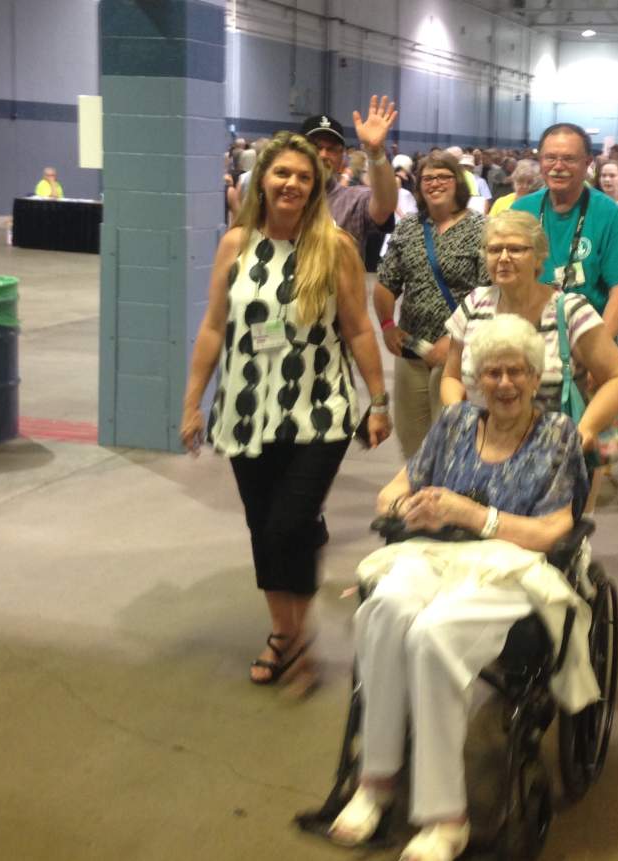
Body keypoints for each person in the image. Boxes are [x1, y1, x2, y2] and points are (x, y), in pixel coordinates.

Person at [328, 315, 598, 861]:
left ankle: (445, 817)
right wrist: (414, 505)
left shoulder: (557, 435)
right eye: (492, 372)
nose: (504, 384)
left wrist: (475, 516)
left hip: (512, 567)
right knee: (383, 609)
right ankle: (375, 780)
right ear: (475, 377)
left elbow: (552, 531)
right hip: (435, 552)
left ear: (534, 375)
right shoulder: (452, 423)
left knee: (433, 633)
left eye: (516, 372)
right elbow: (392, 494)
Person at [179, 131, 391, 686]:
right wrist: (192, 403)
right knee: (262, 526)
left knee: (288, 523)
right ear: (262, 182)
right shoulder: (235, 244)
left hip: (320, 409)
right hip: (247, 409)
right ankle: (287, 631)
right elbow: (212, 327)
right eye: (282, 174)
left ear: (315, 185)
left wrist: (379, 398)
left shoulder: (335, 246)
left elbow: (359, 328)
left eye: (303, 176)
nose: (292, 184)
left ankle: (290, 634)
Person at [441, 210, 618, 451]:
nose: (504, 257)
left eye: (516, 249)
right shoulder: (474, 304)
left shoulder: (569, 312)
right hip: (481, 449)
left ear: (539, 257)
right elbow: (451, 376)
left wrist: (587, 428)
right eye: (494, 249)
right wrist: (457, 413)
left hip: (554, 454)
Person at [375, 153, 489, 459]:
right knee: (412, 439)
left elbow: (488, 294)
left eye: (443, 177)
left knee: (451, 438)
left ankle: (448, 501)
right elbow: (386, 283)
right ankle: (418, 497)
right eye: (428, 178)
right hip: (412, 349)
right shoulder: (408, 228)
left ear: (458, 183)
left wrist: (454, 340)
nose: (435, 183)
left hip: (460, 353)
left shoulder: (481, 229)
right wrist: (387, 325)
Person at [512, 122, 618, 339]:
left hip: (586, 337)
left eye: (569, 159)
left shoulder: (610, 215)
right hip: (527, 335)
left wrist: (600, 353)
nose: (558, 166)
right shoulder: (520, 211)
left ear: (587, 163)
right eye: (550, 157)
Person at [300, 95, 399, 250]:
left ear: (342, 158)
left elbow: (384, 206)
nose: (323, 155)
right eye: (315, 147)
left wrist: (375, 152)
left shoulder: (354, 201)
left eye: (332, 149)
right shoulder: (285, 195)